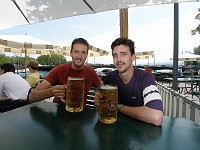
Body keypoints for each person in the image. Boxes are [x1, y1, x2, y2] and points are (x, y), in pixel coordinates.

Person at [94, 38, 163, 126]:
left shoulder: (145, 77)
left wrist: (118, 107)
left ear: (133, 57)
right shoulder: (110, 77)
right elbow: (105, 108)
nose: (118, 59)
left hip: (140, 133)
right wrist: (99, 104)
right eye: (115, 55)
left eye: (123, 54)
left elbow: (156, 117)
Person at [29, 38, 102, 105]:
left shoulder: (90, 72)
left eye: (83, 52)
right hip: (60, 112)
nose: (79, 56)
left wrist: (99, 96)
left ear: (86, 55)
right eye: (76, 52)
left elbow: (102, 87)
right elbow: (32, 96)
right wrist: (52, 91)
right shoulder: (59, 70)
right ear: (71, 53)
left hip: (81, 113)